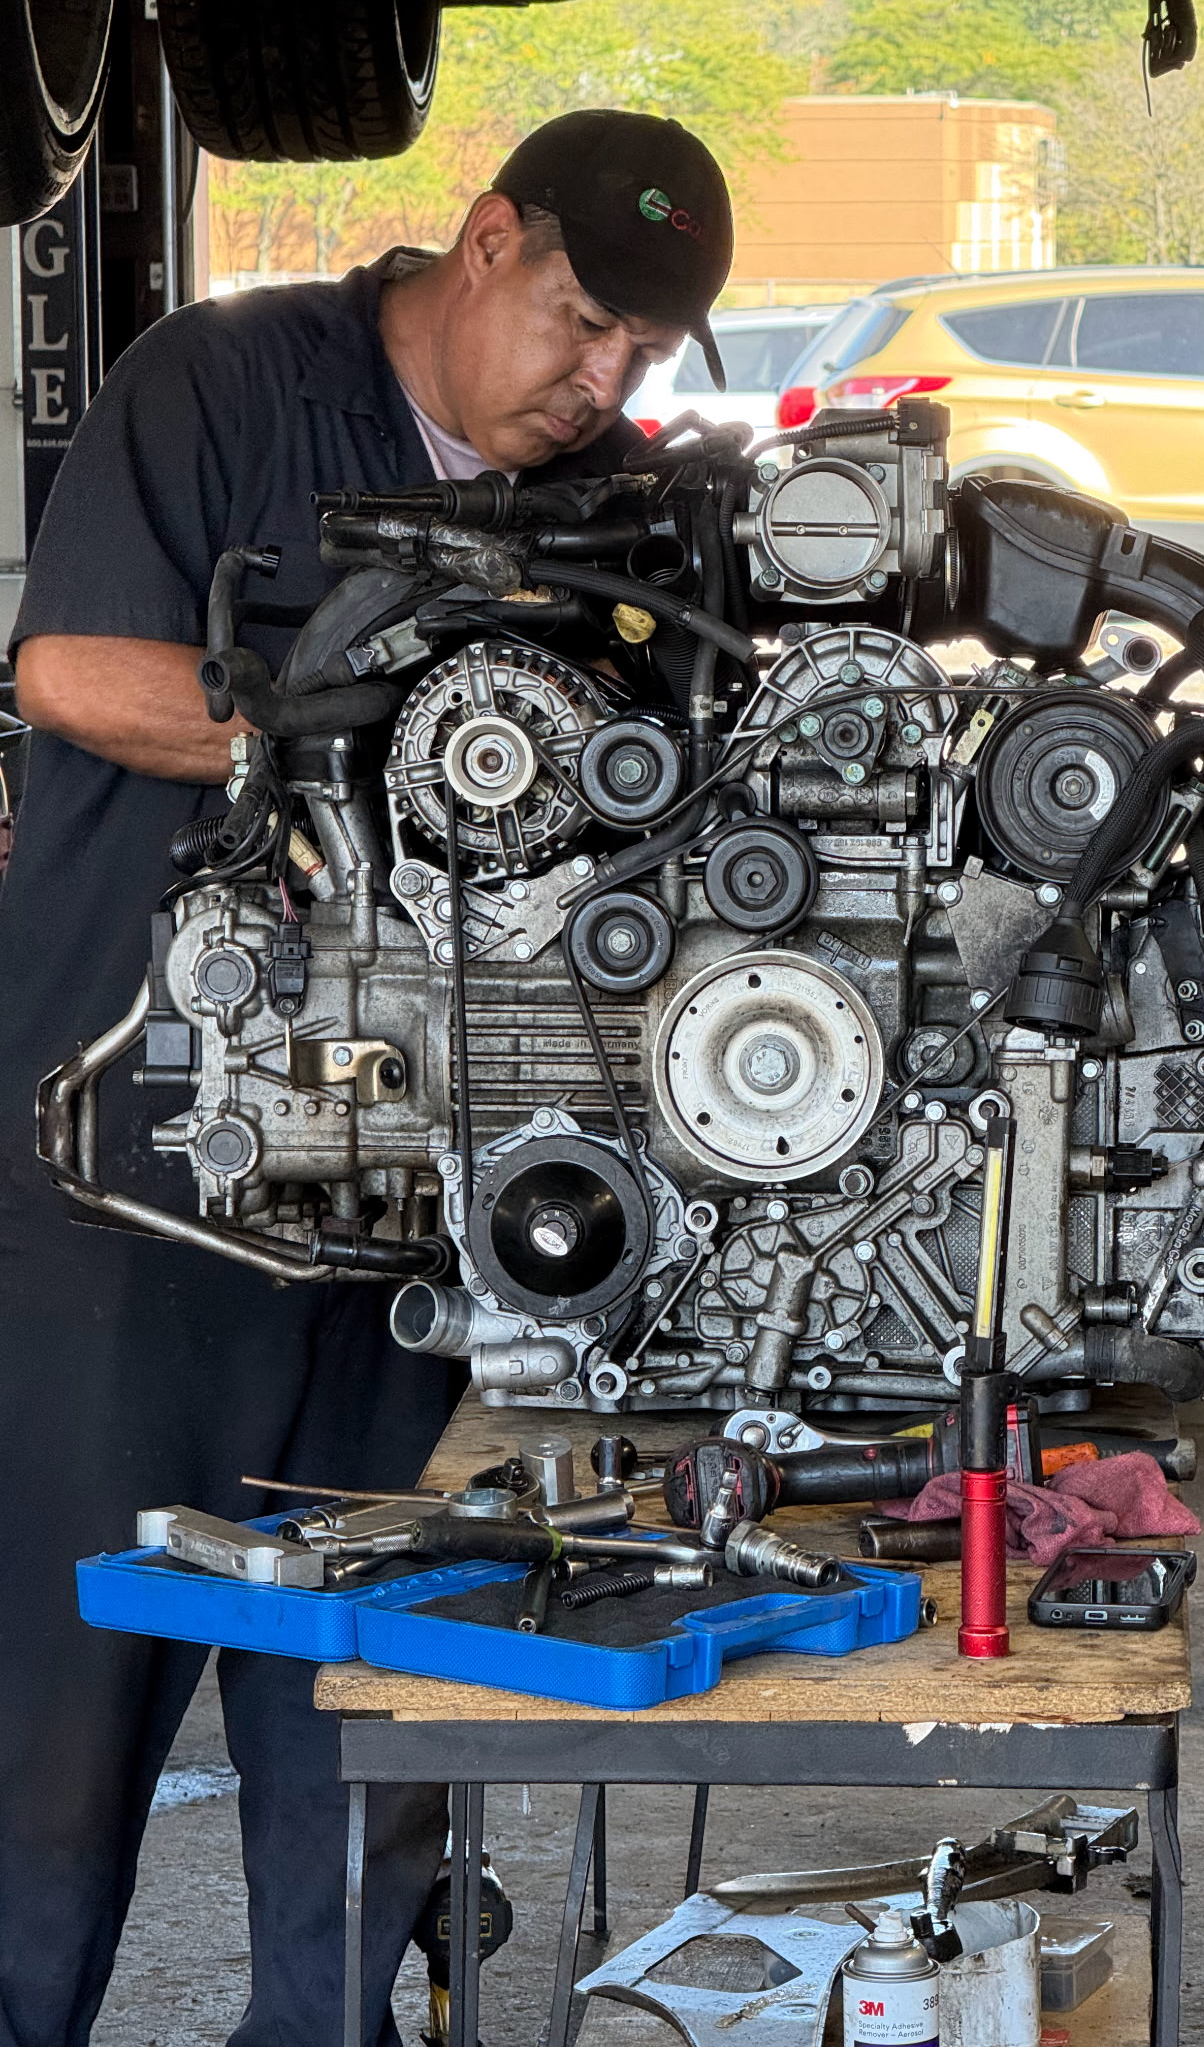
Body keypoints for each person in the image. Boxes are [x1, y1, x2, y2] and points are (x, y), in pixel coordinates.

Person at [0, 109, 732, 2047]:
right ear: (486, 241)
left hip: (415, 1210)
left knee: (369, 1718)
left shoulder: (614, 505)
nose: (601, 382)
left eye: (643, 353)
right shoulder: (225, 379)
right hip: (137, 1182)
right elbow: (71, 671)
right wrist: (360, 728)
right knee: (57, 1734)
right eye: (581, 322)